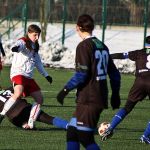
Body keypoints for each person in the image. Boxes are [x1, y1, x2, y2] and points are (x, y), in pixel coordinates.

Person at [56, 14, 121, 150]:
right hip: (96, 97)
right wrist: (115, 94)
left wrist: (65, 90)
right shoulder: (102, 45)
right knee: (72, 132)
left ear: (78, 27)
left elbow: (82, 74)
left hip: (89, 98)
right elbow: (114, 73)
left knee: (85, 138)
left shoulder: (84, 46)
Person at [0, 24, 53, 129]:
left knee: (39, 99)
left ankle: (31, 122)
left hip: (28, 77)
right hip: (18, 73)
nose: (37, 38)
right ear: (29, 33)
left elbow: (38, 62)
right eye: (35, 35)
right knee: (18, 92)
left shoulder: (35, 46)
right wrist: (16, 48)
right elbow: (19, 44)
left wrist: (46, 75)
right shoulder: (23, 41)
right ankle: (1, 115)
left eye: (38, 35)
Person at [101, 36, 150, 144]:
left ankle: (110, 128)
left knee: (127, 108)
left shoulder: (139, 52)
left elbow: (123, 55)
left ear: (145, 44)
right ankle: (145, 136)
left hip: (139, 82)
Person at [0, 87, 68, 130]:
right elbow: (24, 90)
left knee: (11, 117)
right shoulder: (8, 89)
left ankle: (24, 125)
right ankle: (70, 126)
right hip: (24, 108)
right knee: (48, 118)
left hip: (14, 117)